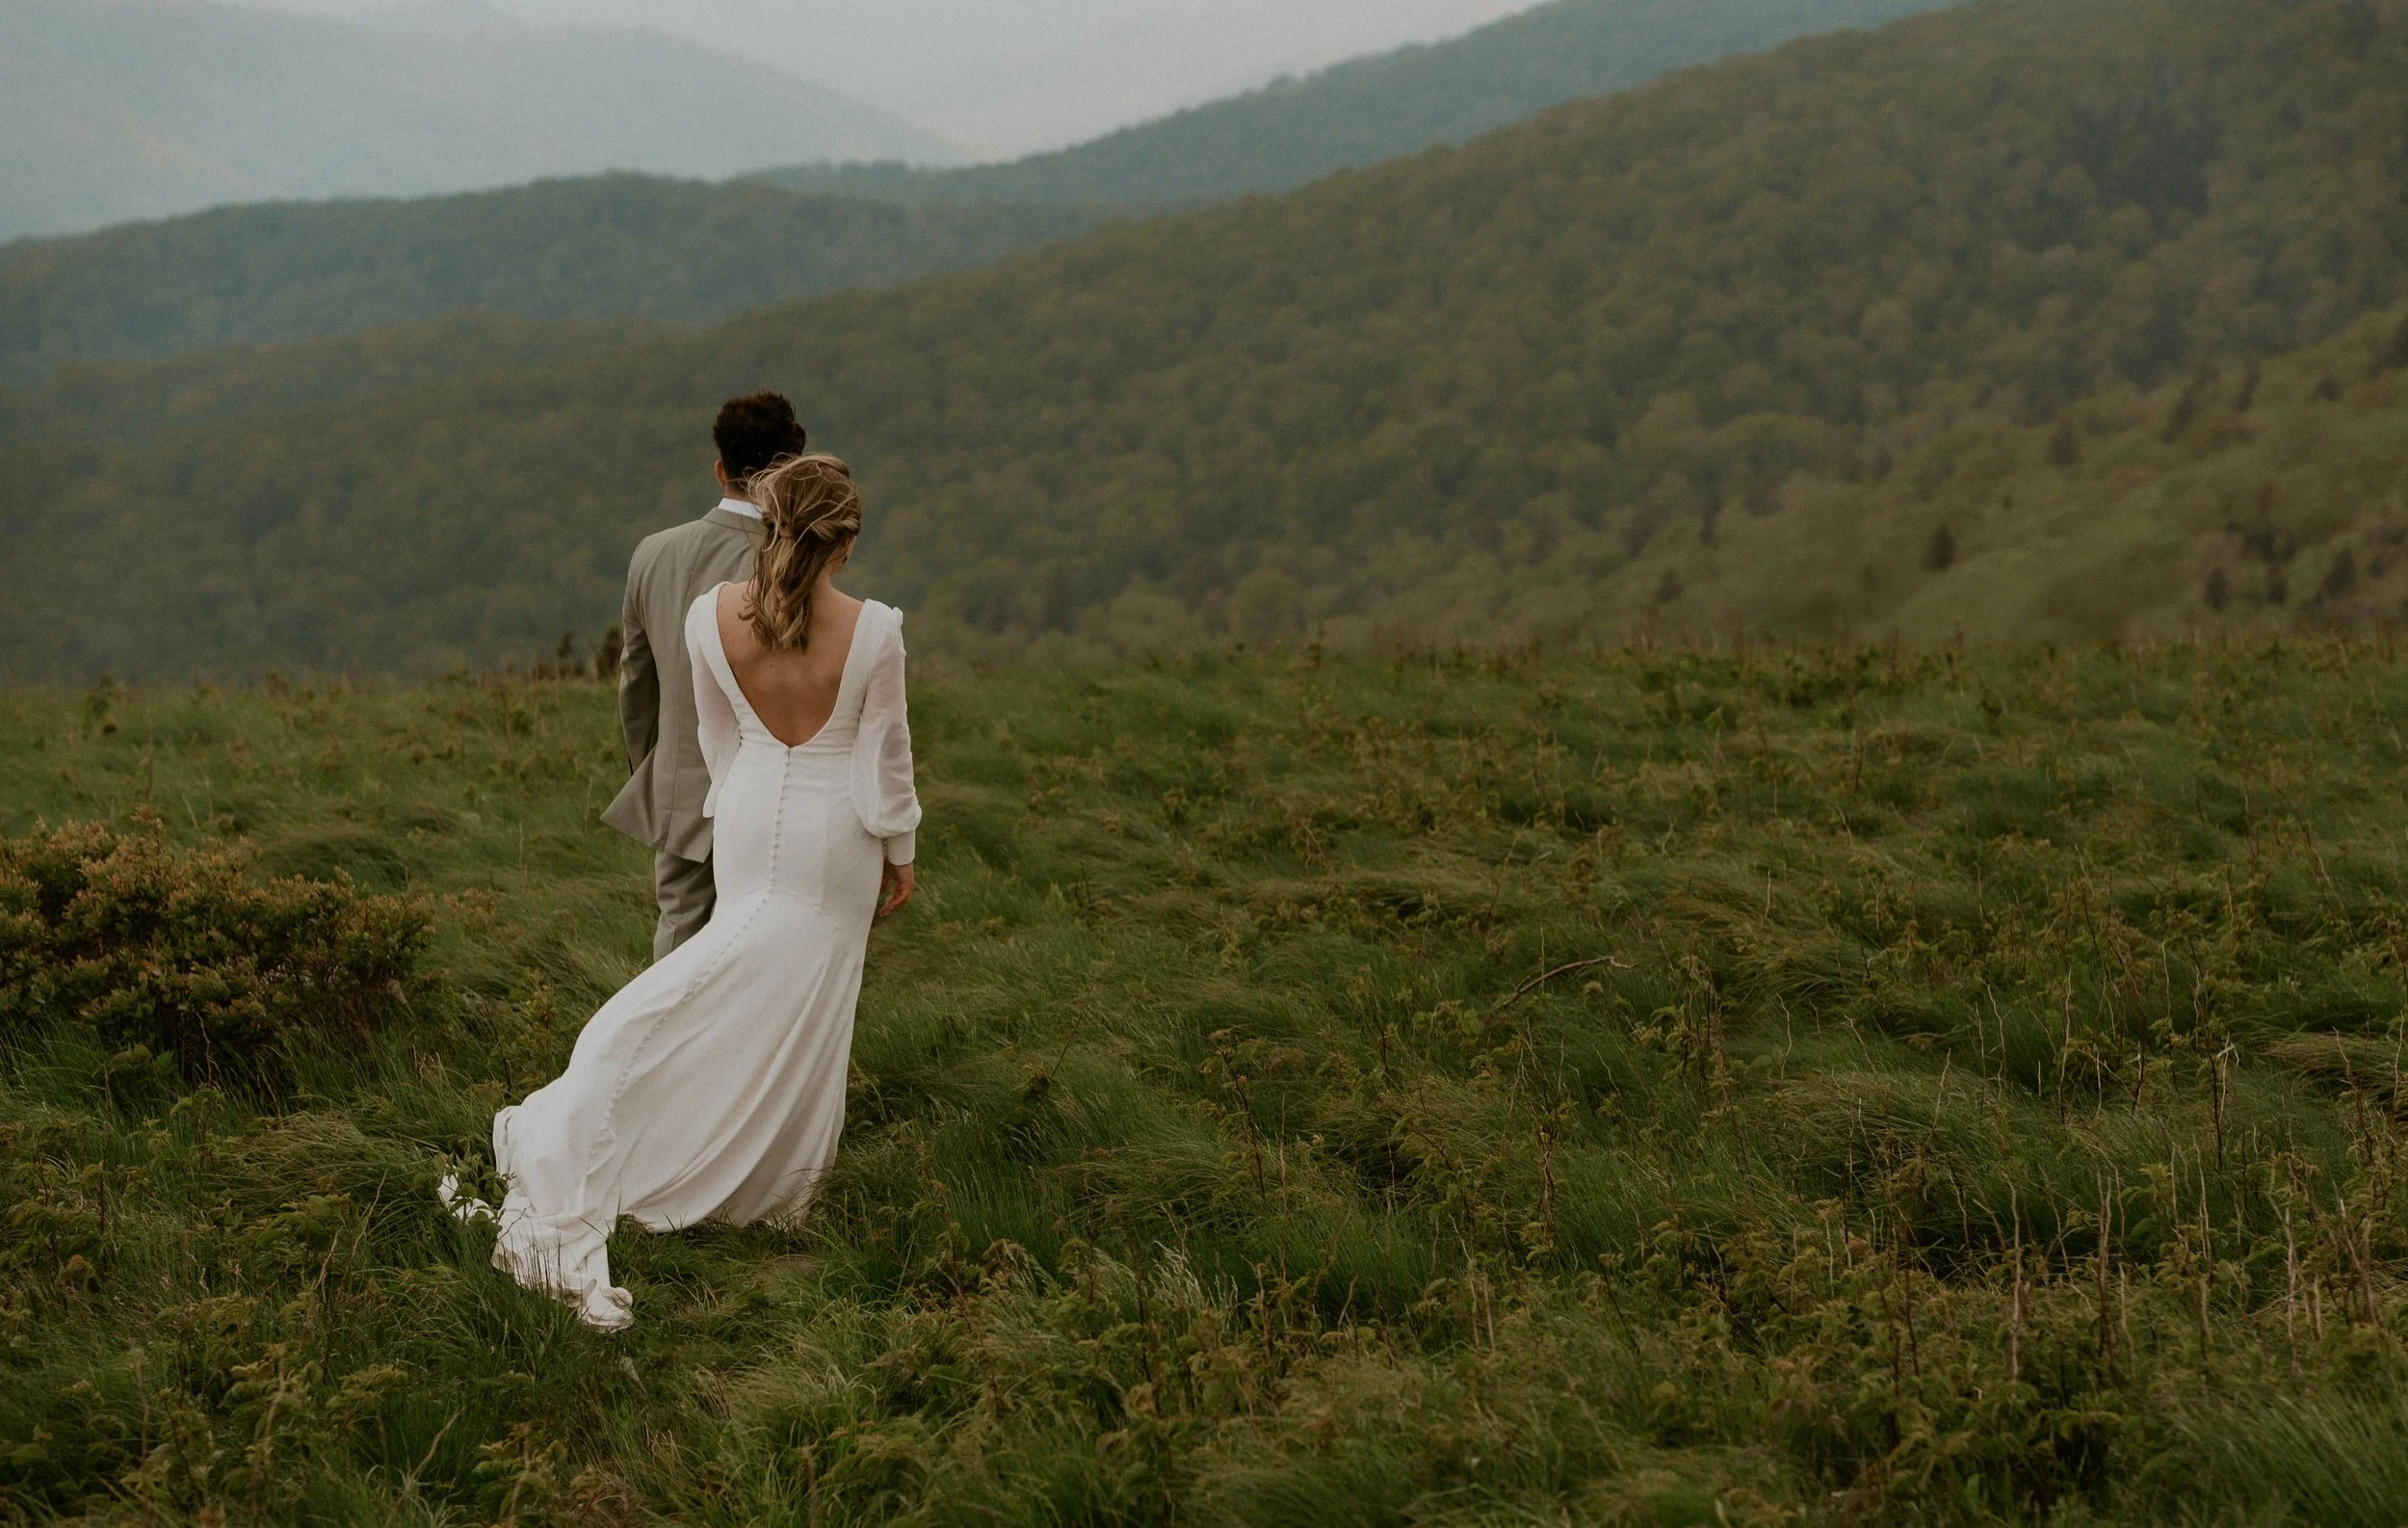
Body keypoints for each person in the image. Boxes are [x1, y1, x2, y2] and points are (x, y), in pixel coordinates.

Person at [446, 453, 921, 1330]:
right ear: (844, 542)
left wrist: (742, 807)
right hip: (835, 836)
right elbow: (883, 758)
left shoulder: (710, 617)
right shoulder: (875, 629)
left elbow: (716, 739)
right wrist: (901, 848)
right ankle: (758, 1177)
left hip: (744, 812)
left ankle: (683, 1133)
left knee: (735, 971)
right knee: (795, 1001)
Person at [603, 392, 803, 960]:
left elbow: (635, 687)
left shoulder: (653, 554)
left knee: (676, 955)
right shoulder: (795, 562)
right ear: (790, 470)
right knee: (768, 952)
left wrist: (659, 771)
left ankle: (655, 1052)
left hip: (678, 784)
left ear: (721, 468)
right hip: (776, 796)